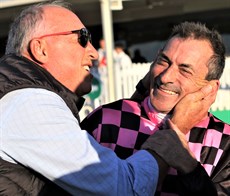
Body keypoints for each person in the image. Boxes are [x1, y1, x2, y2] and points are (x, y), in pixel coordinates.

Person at [0, 1, 214, 195]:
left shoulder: (22, 99)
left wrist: (139, 94)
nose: (94, 52)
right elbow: (124, 188)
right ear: (40, 49)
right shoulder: (31, 104)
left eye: (185, 69)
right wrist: (176, 128)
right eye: (82, 38)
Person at [81, 22, 230, 195]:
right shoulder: (105, 119)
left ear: (210, 88)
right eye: (164, 61)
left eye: (185, 70)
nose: (166, 76)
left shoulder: (225, 142)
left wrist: (189, 167)